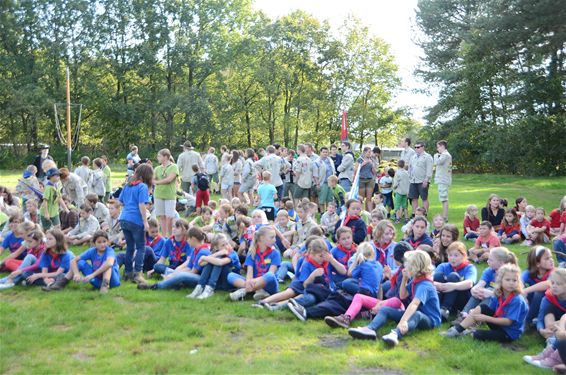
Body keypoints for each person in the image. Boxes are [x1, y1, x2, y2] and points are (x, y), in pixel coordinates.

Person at [348, 249, 441, 346]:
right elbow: (403, 295)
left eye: (408, 264)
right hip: (413, 314)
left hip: (430, 320)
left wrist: (403, 321)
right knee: (385, 310)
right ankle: (370, 329)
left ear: (416, 267)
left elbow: (414, 304)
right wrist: (404, 279)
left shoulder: (425, 285)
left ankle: (396, 334)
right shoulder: (416, 280)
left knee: (417, 314)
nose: (405, 266)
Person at [441, 263, 528, 343]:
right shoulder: (499, 294)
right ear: (500, 281)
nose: (511, 283)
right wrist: (475, 313)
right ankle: (456, 330)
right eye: (508, 280)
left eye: (514, 280)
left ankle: (468, 332)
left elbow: (508, 322)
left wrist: (485, 318)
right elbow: (490, 311)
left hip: (509, 333)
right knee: (482, 307)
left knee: (476, 335)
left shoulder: (517, 300)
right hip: (498, 324)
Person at [43, 230, 120, 294]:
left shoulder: (109, 251)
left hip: (112, 281)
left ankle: (104, 287)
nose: (102, 244)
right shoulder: (92, 251)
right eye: (99, 242)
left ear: (108, 242)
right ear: (94, 244)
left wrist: (92, 275)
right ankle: (61, 283)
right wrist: (76, 273)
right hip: (97, 280)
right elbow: (73, 260)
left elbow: (109, 264)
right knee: (79, 262)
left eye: (104, 241)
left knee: (107, 265)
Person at [138, 227, 211, 291]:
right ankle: (175, 283)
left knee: (181, 275)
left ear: (193, 239)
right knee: (173, 273)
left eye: (188, 239)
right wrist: (173, 274)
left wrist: (173, 276)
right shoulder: (196, 250)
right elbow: (188, 267)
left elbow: (193, 272)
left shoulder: (202, 251)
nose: (187, 241)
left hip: (201, 279)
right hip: (192, 274)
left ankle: (156, 286)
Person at [118, 163, 152, 284]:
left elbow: (120, 202)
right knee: (141, 247)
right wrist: (145, 222)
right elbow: (142, 205)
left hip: (124, 218)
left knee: (130, 247)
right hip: (136, 220)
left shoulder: (128, 186)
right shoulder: (142, 187)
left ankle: (127, 273)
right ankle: (138, 273)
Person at [228, 226, 281, 301]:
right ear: (262, 238)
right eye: (272, 237)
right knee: (230, 275)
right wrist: (249, 281)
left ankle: (244, 290)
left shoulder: (275, 253)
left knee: (270, 276)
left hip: (268, 284)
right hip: (253, 281)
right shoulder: (252, 252)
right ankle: (258, 290)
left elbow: (271, 272)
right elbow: (249, 272)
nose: (275, 240)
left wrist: (253, 281)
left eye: (275, 237)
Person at [187, 233, 241, 299]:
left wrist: (204, 257)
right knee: (210, 261)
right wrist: (217, 254)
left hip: (229, 284)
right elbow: (200, 263)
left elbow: (220, 262)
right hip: (219, 284)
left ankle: (210, 288)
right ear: (216, 247)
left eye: (227, 243)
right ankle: (200, 287)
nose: (226, 247)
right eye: (223, 245)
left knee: (216, 260)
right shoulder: (216, 253)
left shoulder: (233, 254)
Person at [433, 241, 477, 320]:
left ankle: (445, 309)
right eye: (450, 255)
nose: (452, 258)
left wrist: (453, 286)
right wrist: (438, 284)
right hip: (443, 293)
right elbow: (430, 279)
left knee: (453, 276)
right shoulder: (443, 266)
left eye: (456, 255)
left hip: (461, 299)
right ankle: (436, 308)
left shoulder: (469, 267)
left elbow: (470, 283)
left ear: (464, 256)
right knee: (438, 276)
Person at [523, 246, 554, 325]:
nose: (551, 260)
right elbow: (518, 282)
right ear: (537, 263)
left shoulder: (553, 272)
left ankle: (527, 321)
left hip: (552, 306)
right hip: (534, 304)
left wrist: (525, 290)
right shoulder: (529, 273)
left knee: (539, 293)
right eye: (547, 258)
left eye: (551, 257)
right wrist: (523, 294)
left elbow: (547, 284)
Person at [153, 148, 179, 237]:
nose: (158, 158)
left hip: (170, 195)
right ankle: (164, 236)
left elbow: (169, 179)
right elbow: (152, 179)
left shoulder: (174, 167)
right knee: (162, 216)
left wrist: (157, 182)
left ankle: (170, 235)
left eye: (159, 156)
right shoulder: (157, 168)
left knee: (169, 217)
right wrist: (154, 181)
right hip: (158, 195)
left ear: (166, 157)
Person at [536, 268, 566, 340]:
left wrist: (560, 323)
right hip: (552, 326)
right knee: (549, 308)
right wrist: (541, 330)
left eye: (558, 284)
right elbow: (540, 318)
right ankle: (551, 339)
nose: (554, 286)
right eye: (552, 283)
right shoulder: (547, 298)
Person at [408, 141, 433, 215]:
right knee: (414, 198)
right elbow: (410, 168)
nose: (416, 149)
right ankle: (415, 214)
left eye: (418, 147)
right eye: (415, 147)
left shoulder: (428, 157)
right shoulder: (413, 157)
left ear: (423, 147)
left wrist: (426, 180)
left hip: (422, 181)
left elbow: (429, 170)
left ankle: (424, 214)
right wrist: (409, 177)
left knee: (424, 198)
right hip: (413, 181)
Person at [433, 140, 452, 221]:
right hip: (443, 179)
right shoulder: (444, 155)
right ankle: (444, 216)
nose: (437, 149)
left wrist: (435, 156)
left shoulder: (445, 155)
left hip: (443, 179)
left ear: (442, 146)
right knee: (443, 198)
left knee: (444, 198)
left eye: (438, 147)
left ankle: (445, 217)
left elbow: (437, 162)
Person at [313, 146, 335, 212]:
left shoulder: (330, 160)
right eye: (323, 152)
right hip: (322, 182)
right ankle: (322, 212)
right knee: (322, 199)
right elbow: (315, 174)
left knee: (330, 199)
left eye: (326, 152)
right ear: (320, 152)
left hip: (330, 183)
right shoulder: (317, 162)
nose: (325, 153)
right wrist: (317, 184)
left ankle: (329, 212)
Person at [355, 147, 377, 211]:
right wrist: (364, 163)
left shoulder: (371, 159)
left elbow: (374, 171)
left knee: (369, 198)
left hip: (370, 179)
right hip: (361, 179)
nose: (370, 153)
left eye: (371, 152)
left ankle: (369, 214)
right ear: (364, 152)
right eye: (369, 152)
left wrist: (372, 165)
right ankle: (361, 212)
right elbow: (356, 169)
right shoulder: (360, 159)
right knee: (361, 198)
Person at [393, 159, 410, 224]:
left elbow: (396, 183)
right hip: (405, 192)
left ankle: (397, 219)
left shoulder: (397, 173)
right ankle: (406, 218)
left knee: (397, 206)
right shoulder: (407, 172)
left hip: (399, 191)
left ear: (398, 165)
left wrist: (393, 187)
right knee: (405, 206)